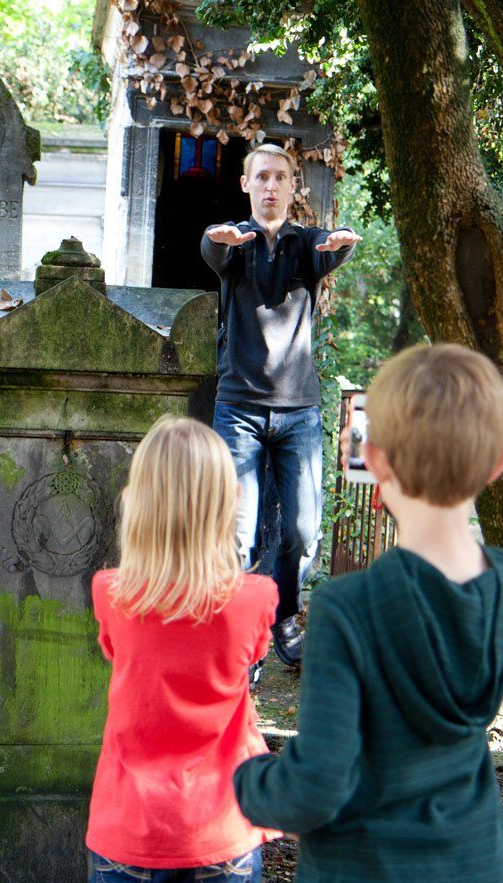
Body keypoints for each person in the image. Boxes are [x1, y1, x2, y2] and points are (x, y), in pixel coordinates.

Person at [233, 344, 503, 883]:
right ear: (499, 464)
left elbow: (315, 788)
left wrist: (247, 780)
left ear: (377, 462)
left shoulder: (347, 607)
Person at [85, 416, 279, 883]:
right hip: (223, 822)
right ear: (226, 503)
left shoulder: (110, 593)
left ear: (137, 502)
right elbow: (251, 658)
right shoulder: (257, 599)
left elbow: (119, 655)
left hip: (130, 823)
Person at [201, 143, 360, 670]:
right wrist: (213, 239)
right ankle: (241, 644)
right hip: (239, 410)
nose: (271, 186)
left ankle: (284, 614)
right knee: (239, 533)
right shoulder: (235, 242)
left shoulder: (302, 243)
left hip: (299, 413)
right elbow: (214, 250)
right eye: (261, 177)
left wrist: (340, 246)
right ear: (246, 185)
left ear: (294, 188)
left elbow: (328, 250)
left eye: (281, 178)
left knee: (300, 530)